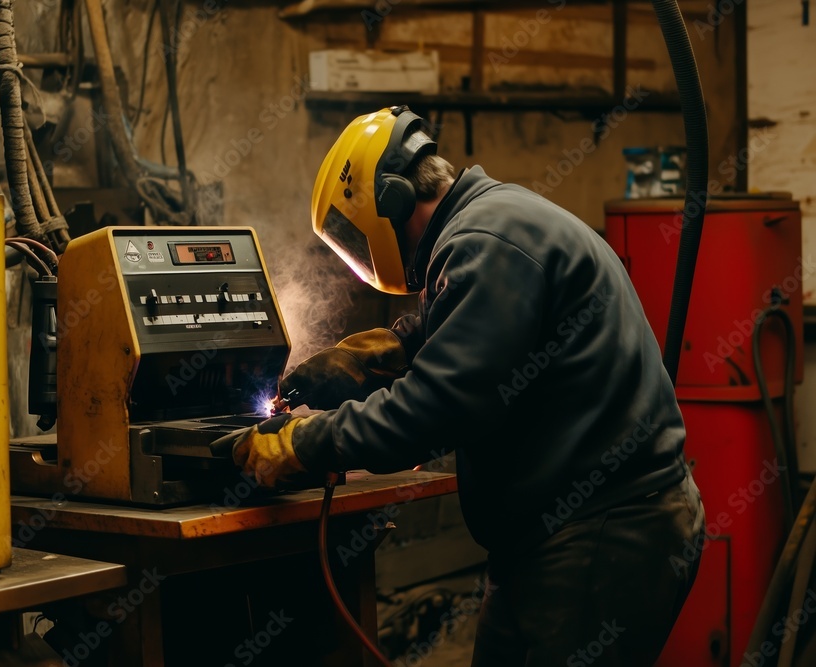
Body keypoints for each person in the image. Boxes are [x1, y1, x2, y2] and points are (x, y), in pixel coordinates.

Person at [215, 106, 705, 665]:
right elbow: (478, 337)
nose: (357, 253)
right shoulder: (493, 218)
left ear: (394, 201)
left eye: (352, 235)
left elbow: (434, 411)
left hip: (603, 534)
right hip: (557, 536)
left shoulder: (486, 241)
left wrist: (304, 442)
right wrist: (386, 353)